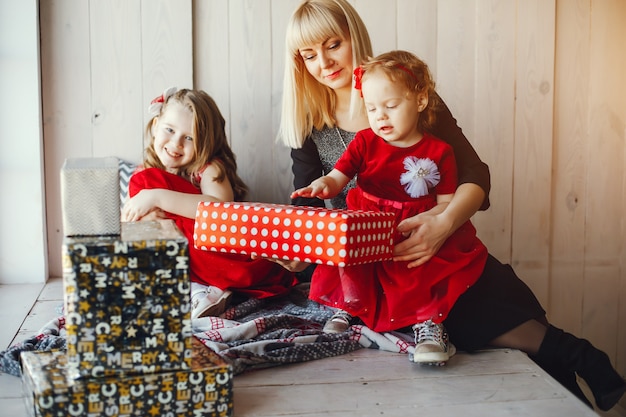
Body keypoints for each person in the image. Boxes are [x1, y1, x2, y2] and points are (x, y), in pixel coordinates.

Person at [278, 0, 625, 411]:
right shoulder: (308, 123)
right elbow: (310, 212)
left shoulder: (403, 90)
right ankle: (575, 358)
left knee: (494, 297)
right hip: (370, 263)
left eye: (333, 44)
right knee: (463, 316)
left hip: (437, 241)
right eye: (309, 54)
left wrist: (441, 224)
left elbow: (475, 174)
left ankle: (573, 378)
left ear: (354, 36)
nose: (324, 62)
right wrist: (297, 255)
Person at [292, 50, 489, 365]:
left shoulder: (439, 151)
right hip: (369, 225)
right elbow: (337, 178)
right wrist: (322, 185)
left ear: (420, 101)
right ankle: (348, 305)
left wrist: (433, 222)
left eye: (391, 106)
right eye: (371, 108)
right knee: (352, 258)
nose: (380, 116)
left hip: (413, 228)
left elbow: (445, 204)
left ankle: (428, 325)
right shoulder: (364, 142)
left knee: (422, 272)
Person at [122, 87, 297, 320]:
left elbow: (220, 213)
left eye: (189, 137)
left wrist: (157, 197)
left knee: (145, 183)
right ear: (155, 126)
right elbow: (132, 218)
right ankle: (185, 288)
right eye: (169, 130)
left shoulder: (209, 168)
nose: (176, 143)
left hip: (232, 257)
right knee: (142, 185)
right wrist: (145, 220)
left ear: (206, 141)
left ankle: (203, 289)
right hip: (189, 258)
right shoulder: (150, 171)